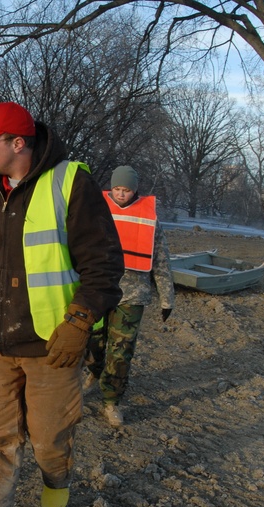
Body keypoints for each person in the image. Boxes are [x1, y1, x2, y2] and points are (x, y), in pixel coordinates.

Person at [0, 102, 125, 507]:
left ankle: (56, 479)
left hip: (50, 343)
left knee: (49, 439)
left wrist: (81, 320)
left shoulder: (70, 183)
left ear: (18, 143)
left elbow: (104, 264)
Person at [84, 166, 176, 428]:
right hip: (98, 289)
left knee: (121, 351)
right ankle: (95, 373)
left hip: (133, 294)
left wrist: (167, 297)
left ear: (135, 189)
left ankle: (112, 400)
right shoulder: (95, 208)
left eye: (126, 189)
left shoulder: (149, 217)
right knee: (92, 342)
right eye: (117, 189)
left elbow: (161, 259)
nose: (121, 194)